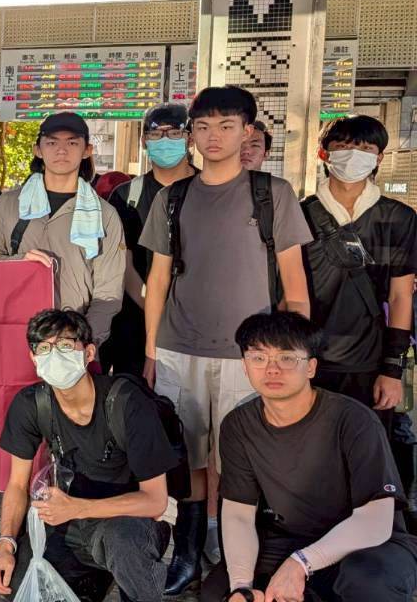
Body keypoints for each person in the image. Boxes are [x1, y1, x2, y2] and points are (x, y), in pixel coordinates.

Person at [140, 85, 312, 594]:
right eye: (203, 126)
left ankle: (229, 545)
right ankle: (189, 551)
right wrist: (151, 351)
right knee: (187, 454)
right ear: (191, 133)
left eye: (227, 126)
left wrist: (291, 356)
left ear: (247, 132)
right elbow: (158, 281)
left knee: (238, 456)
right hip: (178, 349)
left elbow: (295, 287)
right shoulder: (173, 199)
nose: (213, 137)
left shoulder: (271, 193)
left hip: (251, 357)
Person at [202, 312, 417, 602]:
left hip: (367, 543)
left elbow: (376, 520)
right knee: (219, 592)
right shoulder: (238, 425)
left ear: (311, 367)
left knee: (368, 582)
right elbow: (239, 512)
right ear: (245, 366)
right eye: (259, 358)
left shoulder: (353, 419)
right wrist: (242, 586)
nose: (272, 369)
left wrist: (301, 563)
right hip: (287, 539)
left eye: (287, 358)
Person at [0, 309, 178, 602]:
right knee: (16, 581)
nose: (55, 356)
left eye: (65, 346)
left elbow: (155, 501)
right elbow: (17, 484)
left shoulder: (127, 403)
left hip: (127, 521)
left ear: (89, 353)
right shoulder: (32, 404)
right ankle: (92, 580)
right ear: (34, 359)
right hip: (68, 521)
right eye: (44, 348)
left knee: (123, 544)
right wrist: (5, 544)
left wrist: (76, 508)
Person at [301, 114, 417, 523]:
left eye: (366, 149)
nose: (354, 156)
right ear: (323, 153)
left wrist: (392, 369)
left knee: (367, 452)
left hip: (370, 362)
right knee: (311, 452)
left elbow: (402, 296)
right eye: (344, 147)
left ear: (380, 158)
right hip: (311, 359)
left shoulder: (399, 219)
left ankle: (369, 537)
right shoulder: (300, 215)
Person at [0, 112, 126, 346]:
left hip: (72, 340)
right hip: (13, 334)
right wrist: (20, 261)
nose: (62, 150)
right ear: (37, 150)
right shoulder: (10, 204)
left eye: (72, 142)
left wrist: (84, 342)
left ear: (87, 150)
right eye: (51, 142)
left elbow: (108, 292)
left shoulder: (105, 215)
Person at [105, 104, 197, 376]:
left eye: (174, 134)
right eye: (156, 135)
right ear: (144, 141)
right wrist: (156, 308)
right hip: (137, 322)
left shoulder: (209, 189)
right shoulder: (126, 196)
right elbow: (124, 263)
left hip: (198, 323)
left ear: (190, 139)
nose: (165, 141)